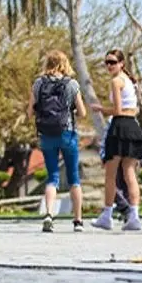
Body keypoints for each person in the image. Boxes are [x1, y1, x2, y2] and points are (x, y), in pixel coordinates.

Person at [28, 50, 87, 233]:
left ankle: (49, 215)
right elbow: (83, 112)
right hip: (67, 133)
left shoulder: (38, 83)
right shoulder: (72, 84)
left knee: (52, 177)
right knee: (74, 179)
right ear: (65, 63)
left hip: (46, 134)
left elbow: (30, 112)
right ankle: (77, 221)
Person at [90, 49, 142, 231]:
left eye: (113, 62)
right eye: (106, 62)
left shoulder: (116, 81)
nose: (109, 66)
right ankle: (134, 216)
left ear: (121, 63)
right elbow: (132, 108)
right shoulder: (130, 81)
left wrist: (100, 109)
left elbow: (117, 110)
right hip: (133, 126)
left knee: (111, 173)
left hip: (120, 126)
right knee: (130, 173)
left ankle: (107, 215)